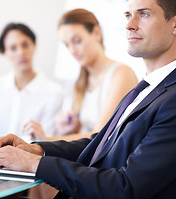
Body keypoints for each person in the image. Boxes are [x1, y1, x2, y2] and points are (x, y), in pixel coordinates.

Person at [0, 0, 176, 199]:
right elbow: (100, 144)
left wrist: (33, 164)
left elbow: (126, 187)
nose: (130, 25)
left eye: (143, 14)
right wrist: (35, 150)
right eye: (127, 15)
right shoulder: (148, 87)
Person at [21, 9, 138, 141]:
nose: (72, 51)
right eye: (67, 45)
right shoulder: (81, 82)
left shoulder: (121, 74)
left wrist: (47, 139)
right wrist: (70, 128)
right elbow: (81, 135)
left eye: (77, 41)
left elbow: (100, 136)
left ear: (97, 33)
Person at [0, 23, 63, 138]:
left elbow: (50, 141)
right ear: (4, 53)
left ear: (34, 46)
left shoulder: (54, 92)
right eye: (13, 48)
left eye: (25, 45)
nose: (20, 52)